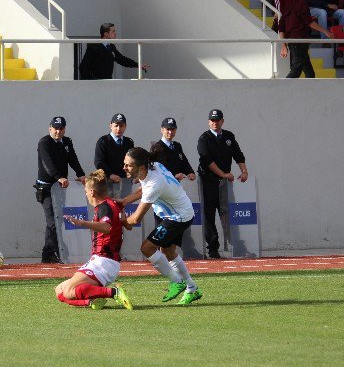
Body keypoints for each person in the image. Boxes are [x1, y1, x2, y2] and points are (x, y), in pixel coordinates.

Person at [119, 147, 202, 305]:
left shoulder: (154, 184)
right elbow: (143, 188)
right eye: (125, 164)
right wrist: (124, 201)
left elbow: (135, 219)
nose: (124, 167)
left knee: (147, 248)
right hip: (181, 212)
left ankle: (177, 282)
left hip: (177, 217)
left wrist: (120, 220)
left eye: (128, 165)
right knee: (167, 251)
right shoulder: (154, 166)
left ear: (141, 167)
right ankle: (192, 288)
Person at [55, 169, 133, 311]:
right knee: (59, 291)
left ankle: (114, 293)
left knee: (68, 291)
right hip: (103, 261)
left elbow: (106, 227)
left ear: (92, 192)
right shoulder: (111, 204)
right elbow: (125, 225)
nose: (86, 194)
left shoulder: (105, 207)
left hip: (104, 262)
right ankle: (91, 301)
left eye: (86, 191)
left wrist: (82, 223)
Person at [196, 109, 248, 259]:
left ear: (222, 121)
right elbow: (207, 161)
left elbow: (238, 155)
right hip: (209, 182)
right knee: (209, 214)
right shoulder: (204, 138)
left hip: (225, 184)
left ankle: (236, 245)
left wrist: (244, 171)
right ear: (208, 122)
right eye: (212, 120)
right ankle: (213, 248)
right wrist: (223, 174)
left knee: (228, 213)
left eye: (217, 120)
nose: (215, 122)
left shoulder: (229, 136)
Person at [35, 116, 86, 264]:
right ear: (50, 128)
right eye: (55, 128)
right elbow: (47, 163)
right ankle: (52, 252)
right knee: (53, 221)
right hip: (46, 188)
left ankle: (50, 252)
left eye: (61, 128)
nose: (58, 131)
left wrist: (81, 174)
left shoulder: (67, 142)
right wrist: (59, 177)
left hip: (60, 189)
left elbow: (73, 159)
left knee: (59, 222)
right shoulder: (44, 142)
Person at [279, 0, 334, 78]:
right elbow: (310, 22)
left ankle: (311, 92)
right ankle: (281, 90)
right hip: (300, 41)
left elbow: (281, 27)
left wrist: (283, 45)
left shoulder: (288, 5)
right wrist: (326, 31)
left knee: (310, 73)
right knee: (296, 70)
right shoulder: (302, 4)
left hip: (292, 42)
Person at [78, 22, 149, 79]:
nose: (115, 33)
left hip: (108, 84)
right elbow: (83, 67)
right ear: (106, 34)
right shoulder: (94, 47)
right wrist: (91, 83)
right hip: (96, 85)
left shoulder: (111, 47)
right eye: (113, 31)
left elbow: (122, 60)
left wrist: (139, 65)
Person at [151, 117, 195, 183]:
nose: (170, 132)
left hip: (175, 184)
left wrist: (190, 172)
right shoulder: (157, 147)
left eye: (173, 129)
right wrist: (174, 175)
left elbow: (183, 162)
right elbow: (157, 169)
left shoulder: (177, 146)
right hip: (162, 184)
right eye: (168, 129)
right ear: (162, 130)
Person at [93, 113, 134, 183]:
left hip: (125, 181)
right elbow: (98, 162)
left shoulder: (129, 142)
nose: (118, 128)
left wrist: (134, 175)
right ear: (111, 126)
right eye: (116, 126)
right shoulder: (103, 141)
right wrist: (110, 174)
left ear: (125, 126)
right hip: (108, 182)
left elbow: (132, 161)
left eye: (121, 126)